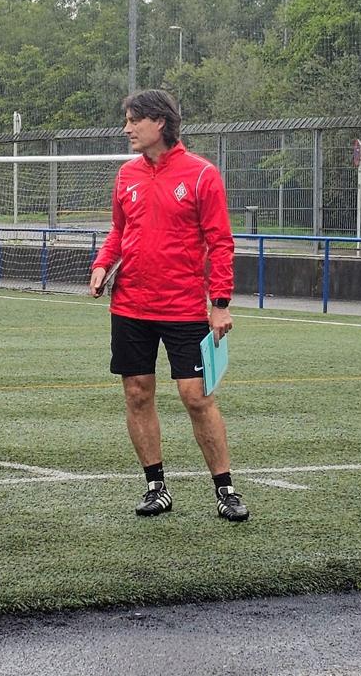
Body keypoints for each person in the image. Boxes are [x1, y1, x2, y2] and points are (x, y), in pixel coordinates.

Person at [88, 89, 248, 523]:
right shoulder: (126, 176)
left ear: (159, 122)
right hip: (130, 307)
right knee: (137, 394)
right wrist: (103, 265)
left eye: (133, 120)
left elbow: (221, 243)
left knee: (195, 397)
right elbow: (119, 233)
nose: (126, 129)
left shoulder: (201, 175)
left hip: (184, 309)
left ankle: (226, 489)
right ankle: (155, 486)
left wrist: (220, 304)